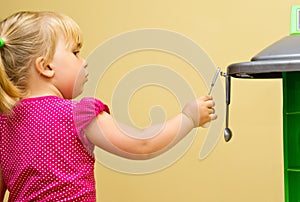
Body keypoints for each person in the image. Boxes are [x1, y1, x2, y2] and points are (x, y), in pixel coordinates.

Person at [0, 11, 217, 201]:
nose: (83, 61)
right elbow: (143, 144)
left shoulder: (3, 123)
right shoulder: (78, 114)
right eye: (75, 53)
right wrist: (189, 118)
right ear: (46, 66)